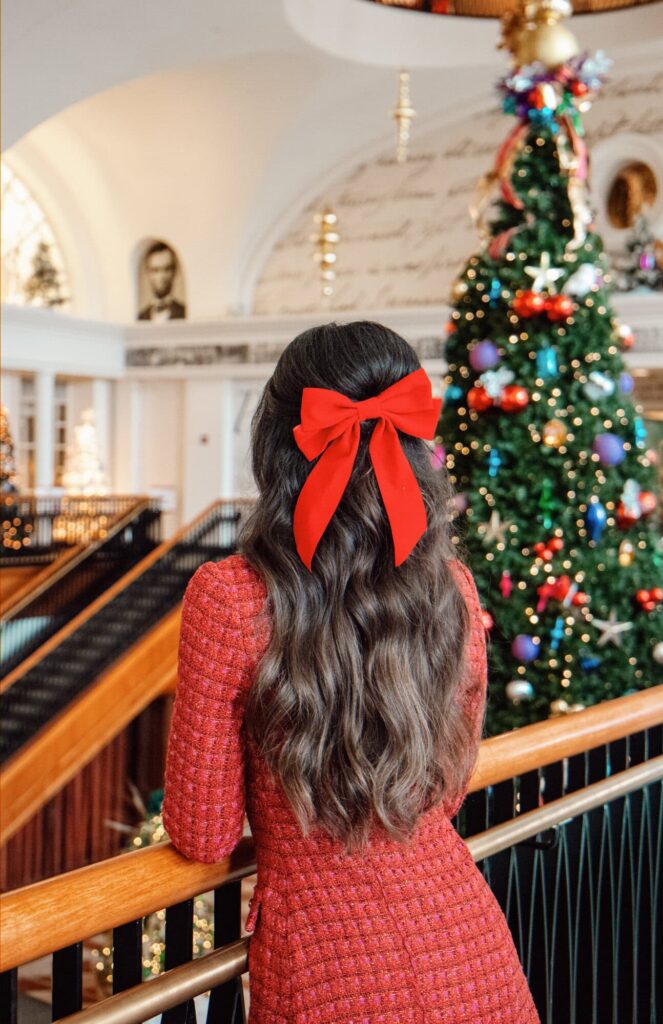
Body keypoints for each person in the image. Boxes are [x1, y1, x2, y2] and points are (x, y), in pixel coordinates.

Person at [162, 321, 540, 1023]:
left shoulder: (229, 598)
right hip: (467, 945)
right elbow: (445, 789)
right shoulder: (450, 585)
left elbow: (204, 833)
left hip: (327, 966)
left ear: (275, 448)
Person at [137, 241, 186, 320]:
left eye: (167, 269)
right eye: (155, 270)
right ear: (148, 273)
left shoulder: (185, 313)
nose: (162, 276)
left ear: (174, 271)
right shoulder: (140, 317)